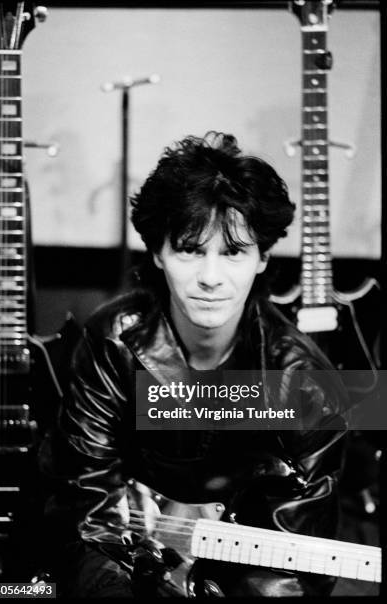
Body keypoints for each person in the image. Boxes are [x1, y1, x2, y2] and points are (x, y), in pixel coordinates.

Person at [39, 132, 347, 597]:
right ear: (159, 254)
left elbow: (298, 560)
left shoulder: (305, 381)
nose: (210, 278)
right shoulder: (112, 342)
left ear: (263, 258)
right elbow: (86, 509)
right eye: (189, 249)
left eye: (233, 252)